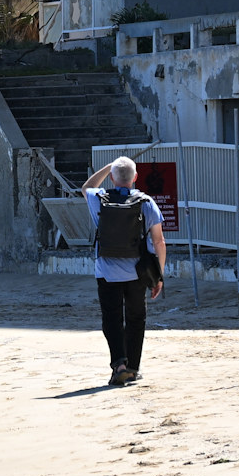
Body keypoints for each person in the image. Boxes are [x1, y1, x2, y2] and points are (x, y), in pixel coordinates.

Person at [83, 156, 167, 387]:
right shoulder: (146, 202)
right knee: (136, 319)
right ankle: (132, 368)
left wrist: (109, 167)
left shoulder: (99, 198)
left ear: (112, 178)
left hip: (106, 271)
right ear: (136, 178)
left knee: (111, 318)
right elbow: (159, 241)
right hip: (137, 272)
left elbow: (87, 186)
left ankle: (118, 364)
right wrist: (158, 276)